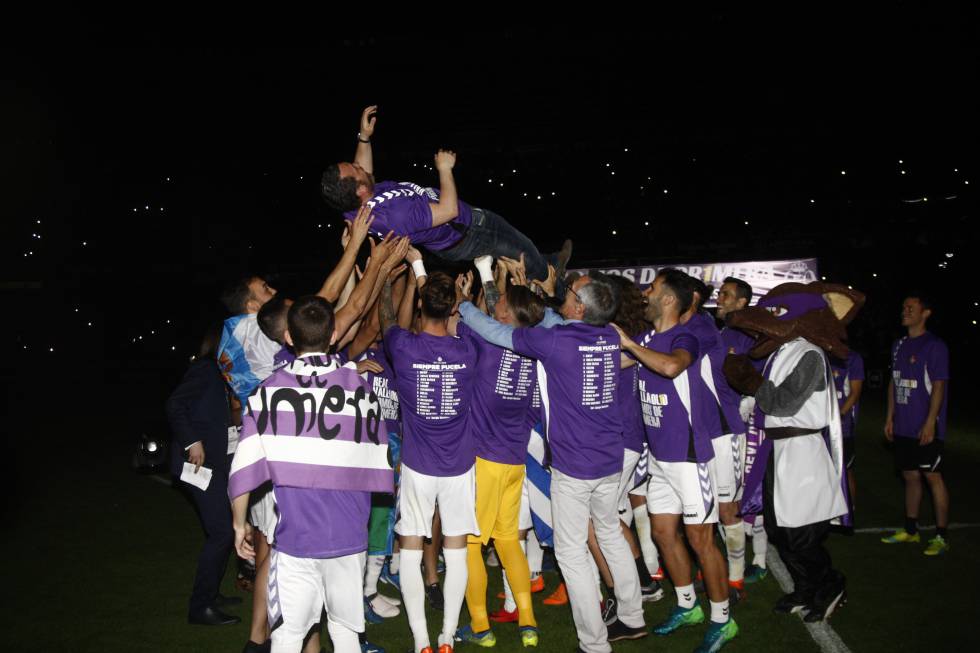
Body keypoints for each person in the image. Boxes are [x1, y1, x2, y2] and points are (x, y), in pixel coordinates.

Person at [458, 273, 646, 653]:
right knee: (609, 533)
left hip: (575, 465)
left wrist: (463, 305)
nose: (566, 294)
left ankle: (594, 642)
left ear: (579, 307)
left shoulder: (557, 340)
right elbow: (544, 317)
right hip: (610, 458)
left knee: (571, 552)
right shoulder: (608, 336)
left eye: (572, 293)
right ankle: (633, 615)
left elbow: (498, 332)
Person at [229, 295, 395, 653]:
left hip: (296, 541)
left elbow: (242, 466)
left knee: (288, 635)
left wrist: (239, 522)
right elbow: (379, 464)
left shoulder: (267, 394)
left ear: (288, 337)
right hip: (349, 538)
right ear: (334, 333)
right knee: (346, 633)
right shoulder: (362, 393)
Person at [614, 269, 738, 653]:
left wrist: (629, 347)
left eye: (650, 288)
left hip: (689, 455)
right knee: (663, 534)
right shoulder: (648, 338)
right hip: (660, 458)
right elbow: (616, 364)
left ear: (668, 299)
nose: (644, 293)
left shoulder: (685, 336)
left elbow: (671, 366)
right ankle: (688, 606)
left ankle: (723, 619)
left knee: (701, 539)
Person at [320, 106, 572, 284]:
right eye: (356, 169)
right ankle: (555, 286)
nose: (360, 166)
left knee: (521, 244)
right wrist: (445, 169)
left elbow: (363, 170)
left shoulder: (356, 206)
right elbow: (448, 209)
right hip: (466, 231)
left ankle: (548, 261)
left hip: (456, 232)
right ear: (360, 189)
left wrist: (364, 138)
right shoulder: (397, 215)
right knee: (521, 247)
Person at [378, 271, 481, 653]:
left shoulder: (403, 347)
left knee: (410, 547)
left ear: (421, 306)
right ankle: (447, 637)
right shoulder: (468, 348)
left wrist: (388, 282)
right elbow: (474, 321)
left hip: (418, 466)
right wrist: (465, 300)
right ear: (454, 308)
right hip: (459, 467)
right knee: (456, 550)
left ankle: (422, 639)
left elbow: (388, 320)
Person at [454, 279, 546, 648]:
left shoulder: (485, 343)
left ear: (506, 313)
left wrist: (463, 296)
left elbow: (458, 322)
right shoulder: (533, 350)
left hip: (484, 459)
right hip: (513, 460)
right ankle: (528, 622)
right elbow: (536, 408)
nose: (495, 304)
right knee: (508, 542)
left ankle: (480, 627)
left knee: (472, 545)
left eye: (500, 302)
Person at [167, 325, 242, 627]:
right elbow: (175, 404)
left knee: (222, 532)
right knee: (222, 533)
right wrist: (191, 441)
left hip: (218, 466)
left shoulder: (224, 377)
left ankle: (211, 594)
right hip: (200, 467)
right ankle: (200, 607)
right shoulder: (205, 369)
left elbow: (222, 420)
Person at [680, 277, 748, 600]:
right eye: (719, 293)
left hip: (723, 431)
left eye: (726, 295)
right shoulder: (703, 327)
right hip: (701, 433)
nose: (720, 299)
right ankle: (709, 566)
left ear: (690, 297)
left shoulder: (702, 327)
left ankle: (736, 577)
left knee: (727, 509)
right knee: (703, 509)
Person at [881, 294, 950, 556]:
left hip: (925, 426)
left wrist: (930, 422)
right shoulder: (898, 345)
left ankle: (942, 536)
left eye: (911, 307)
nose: (905, 310)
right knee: (910, 476)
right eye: (903, 306)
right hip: (903, 426)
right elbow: (893, 381)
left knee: (933, 477)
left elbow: (939, 385)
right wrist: (890, 416)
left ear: (926, 313)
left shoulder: (935, 346)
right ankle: (911, 529)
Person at [715, 276, 768, 584]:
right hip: (720, 427)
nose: (719, 298)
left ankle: (758, 559)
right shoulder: (721, 333)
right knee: (726, 500)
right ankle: (734, 559)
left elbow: (760, 381)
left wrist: (748, 403)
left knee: (746, 493)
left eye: (726, 295)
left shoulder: (751, 337)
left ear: (741, 303)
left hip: (743, 429)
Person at [831, 349, 864, 510]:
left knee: (846, 469)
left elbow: (855, 392)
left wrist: (841, 414)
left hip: (843, 426)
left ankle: (850, 509)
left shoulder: (852, 358)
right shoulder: (821, 353)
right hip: (821, 425)